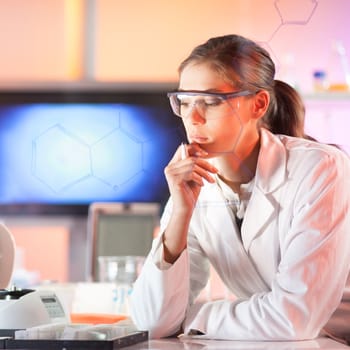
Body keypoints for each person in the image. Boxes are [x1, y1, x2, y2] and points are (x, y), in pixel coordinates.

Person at [130, 34, 350, 342]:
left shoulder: (321, 168)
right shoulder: (195, 184)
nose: (192, 118)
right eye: (184, 101)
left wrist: (193, 317)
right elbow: (152, 322)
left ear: (258, 104)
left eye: (210, 102)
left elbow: (294, 318)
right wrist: (180, 213)